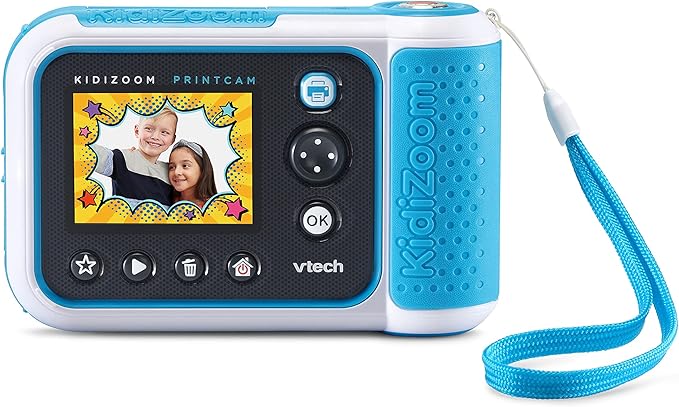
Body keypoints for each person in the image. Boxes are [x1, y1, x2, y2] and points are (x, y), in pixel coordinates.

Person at [91, 108, 177, 207]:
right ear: (137, 131)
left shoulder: (172, 173)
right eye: (148, 129)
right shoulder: (123, 159)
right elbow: (86, 152)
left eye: (164, 132)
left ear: (172, 139)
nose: (155, 137)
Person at [168, 139, 217, 207]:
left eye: (185, 166)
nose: (176, 172)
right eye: (172, 167)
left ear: (202, 169)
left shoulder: (213, 207)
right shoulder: (166, 201)